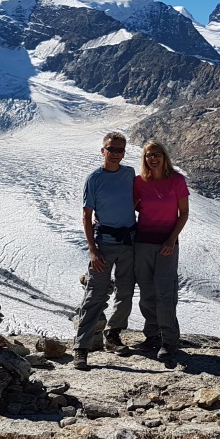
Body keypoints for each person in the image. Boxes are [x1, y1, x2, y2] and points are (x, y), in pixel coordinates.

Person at [72, 132, 137, 370]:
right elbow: (86, 216)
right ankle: (81, 347)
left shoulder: (129, 173)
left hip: (129, 242)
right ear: (103, 151)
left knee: (125, 292)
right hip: (104, 245)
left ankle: (113, 336)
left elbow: (135, 201)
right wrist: (92, 249)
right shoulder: (94, 179)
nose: (115, 154)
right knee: (95, 295)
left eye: (120, 150)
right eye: (111, 149)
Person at [132, 140, 189, 360]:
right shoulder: (140, 182)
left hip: (167, 245)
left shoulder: (177, 181)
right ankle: (152, 336)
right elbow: (131, 206)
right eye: (148, 155)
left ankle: (169, 340)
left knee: (165, 293)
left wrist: (171, 240)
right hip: (143, 243)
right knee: (147, 294)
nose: (153, 158)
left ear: (164, 156)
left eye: (157, 154)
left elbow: (183, 213)